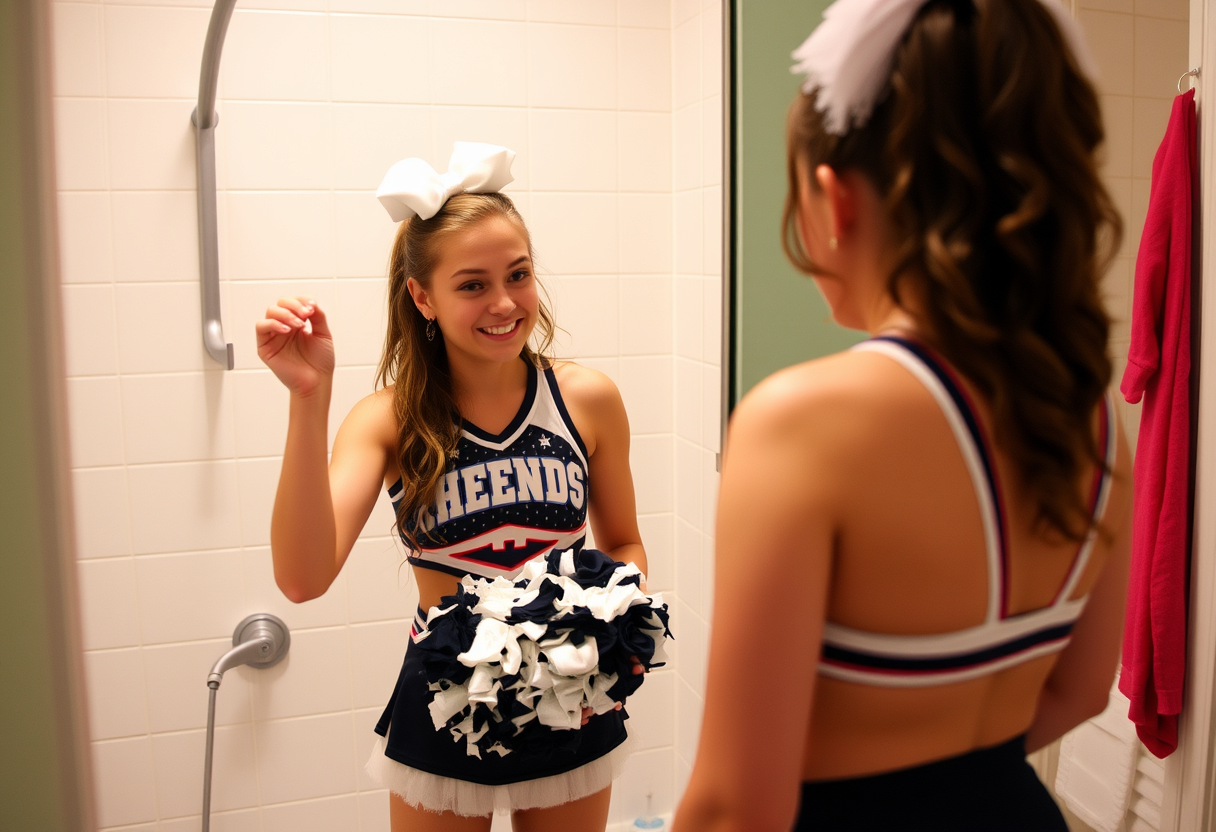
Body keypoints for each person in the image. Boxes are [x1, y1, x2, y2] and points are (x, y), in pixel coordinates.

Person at [672, 1, 1131, 830]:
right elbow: (1080, 688)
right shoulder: (1090, 411)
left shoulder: (802, 422)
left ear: (834, 200)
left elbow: (739, 807)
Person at [257, 143, 648, 832]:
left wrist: (609, 631)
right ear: (422, 296)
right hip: (445, 697)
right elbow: (301, 577)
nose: (503, 303)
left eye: (518, 275)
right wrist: (308, 399)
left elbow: (623, 541)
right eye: (472, 284)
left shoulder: (587, 399)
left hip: (570, 691)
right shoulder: (389, 421)